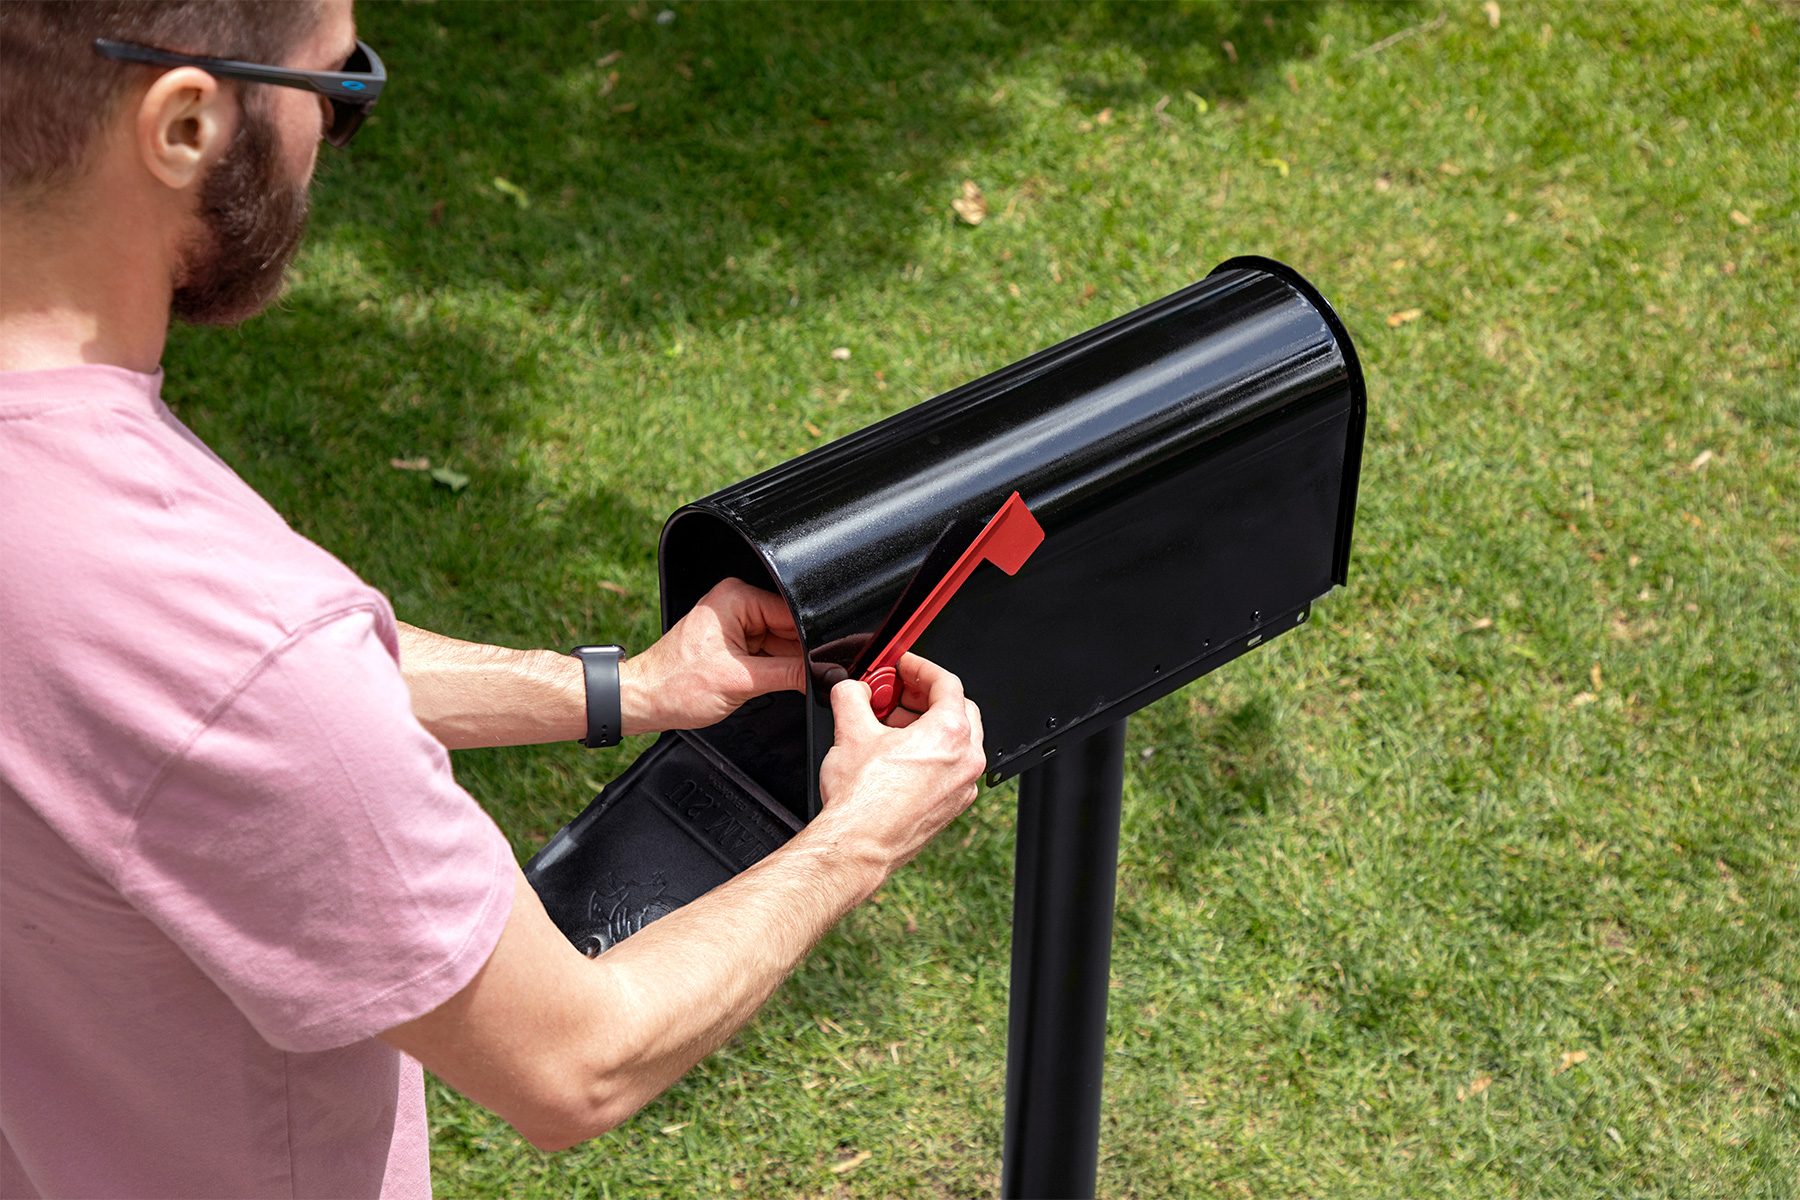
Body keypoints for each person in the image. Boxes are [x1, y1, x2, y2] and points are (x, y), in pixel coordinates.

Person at [0, 1, 988, 1195]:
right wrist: (861, 837)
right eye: (335, 88)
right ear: (188, 122)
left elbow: (164, 708)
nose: (330, 131)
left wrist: (626, 689)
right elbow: (576, 1061)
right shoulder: (229, 635)